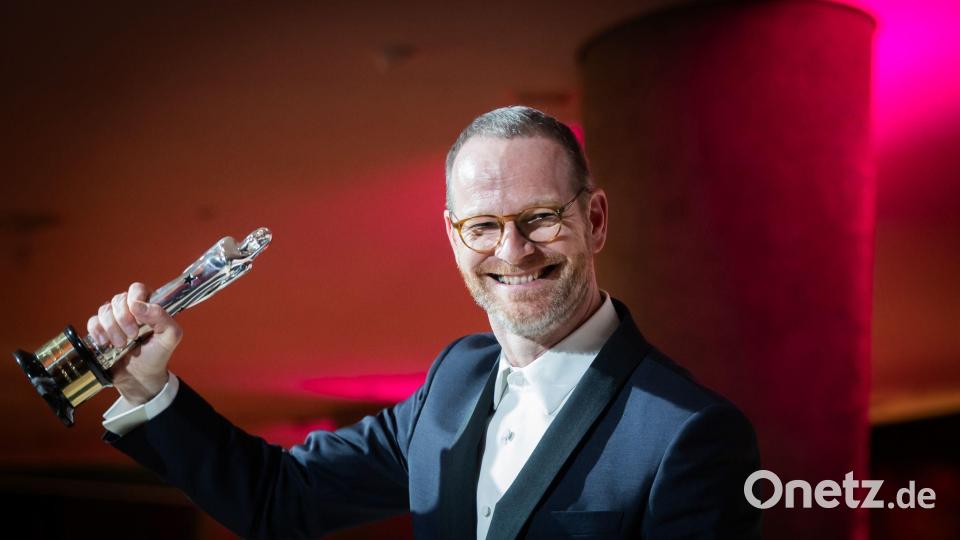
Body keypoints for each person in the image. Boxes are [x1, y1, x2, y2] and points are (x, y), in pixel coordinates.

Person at [89, 106, 762, 539]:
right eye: (483, 227)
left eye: (541, 219)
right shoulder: (453, 380)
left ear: (595, 220)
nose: (512, 250)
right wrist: (151, 389)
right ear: (451, 236)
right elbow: (278, 500)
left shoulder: (690, 433)